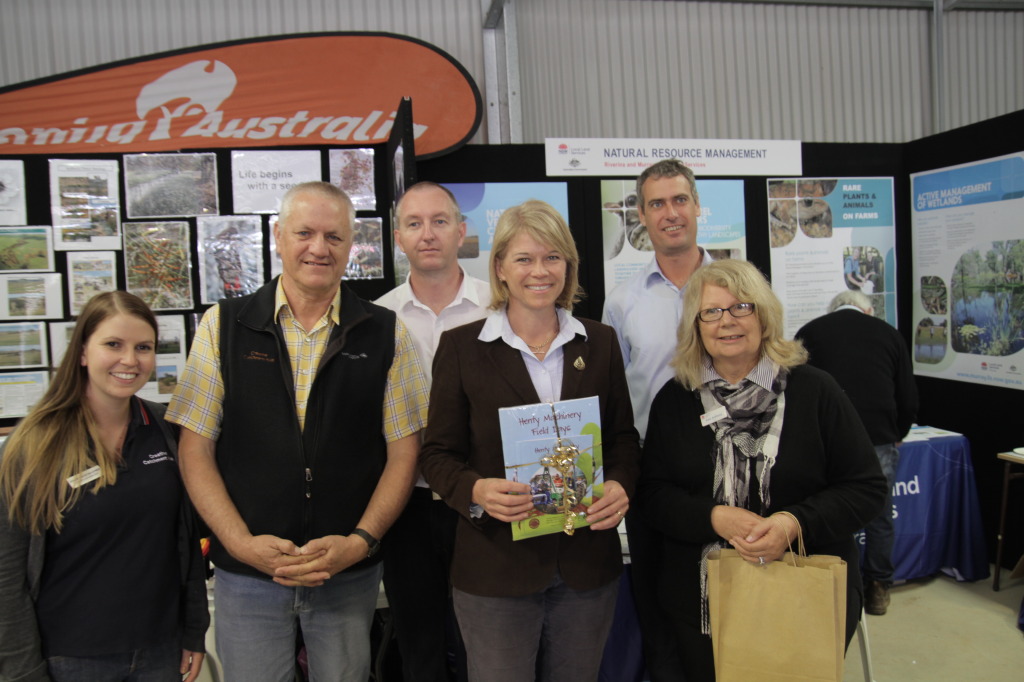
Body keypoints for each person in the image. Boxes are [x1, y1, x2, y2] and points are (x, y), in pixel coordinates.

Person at [166, 181, 429, 682]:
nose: (318, 248)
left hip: (345, 576)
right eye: (304, 232)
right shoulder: (223, 327)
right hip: (248, 578)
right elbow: (194, 449)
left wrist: (360, 541)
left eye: (334, 236)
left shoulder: (385, 331)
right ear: (278, 235)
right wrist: (240, 543)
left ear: (351, 244)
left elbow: (405, 453)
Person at [420, 199, 640, 682]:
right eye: (524, 259)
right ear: (500, 267)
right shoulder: (461, 348)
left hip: (586, 568)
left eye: (552, 257)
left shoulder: (599, 342)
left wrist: (621, 484)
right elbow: (437, 454)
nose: (539, 271)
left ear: (569, 265)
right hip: (495, 568)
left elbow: (623, 438)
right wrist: (475, 491)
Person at [636, 259, 886, 681]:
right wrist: (713, 518)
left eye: (741, 308)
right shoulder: (675, 400)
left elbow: (866, 488)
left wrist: (794, 522)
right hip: (701, 606)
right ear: (696, 326)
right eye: (711, 312)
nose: (727, 322)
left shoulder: (816, 391)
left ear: (764, 315)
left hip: (805, 596)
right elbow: (653, 496)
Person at [0, 291, 208, 682]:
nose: (130, 360)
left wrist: (194, 630)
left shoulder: (167, 431)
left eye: (143, 347)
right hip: (70, 659)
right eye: (113, 344)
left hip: (159, 651)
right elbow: (6, 575)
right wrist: (21, 671)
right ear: (82, 352)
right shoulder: (32, 446)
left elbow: (186, 543)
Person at [601, 158, 713, 679]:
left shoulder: (740, 288)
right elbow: (612, 396)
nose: (671, 213)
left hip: (731, 473)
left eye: (679, 200)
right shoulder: (623, 301)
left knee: (730, 602)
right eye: (657, 204)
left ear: (696, 207)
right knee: (659, 602)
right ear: (641, 217)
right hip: (653, 480)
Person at [375, 182, 490, 682]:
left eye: (440, 221)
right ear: (399, 236)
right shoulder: (378, 319)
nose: (428, 234)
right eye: (415, 223)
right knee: (418, 643)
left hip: (483, 499)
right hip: (408, 504)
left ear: (461, 232)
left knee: (482, 645)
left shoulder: (499, 307)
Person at [796, 290, 918, 616]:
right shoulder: (889, 334)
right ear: (867, 309)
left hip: (824, 441)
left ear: (833, 309)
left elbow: (792, 391)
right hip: (878, 437)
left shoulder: (810, 331)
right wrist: (898, 433)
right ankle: (878, 588)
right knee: (879, 515)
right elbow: (907, 395)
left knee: (826, 513)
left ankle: (826, 587)